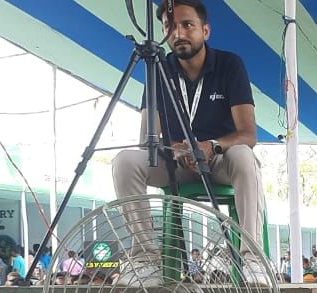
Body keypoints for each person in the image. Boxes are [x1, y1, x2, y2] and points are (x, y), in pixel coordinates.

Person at [111, 0, 263, 244]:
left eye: (187, 25)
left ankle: (251, 254)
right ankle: (145, 256)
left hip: (219, 161)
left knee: (244, 155)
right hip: (176, 164)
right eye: (169, 26)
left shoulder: (229, 65)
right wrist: (175, 149)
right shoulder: (158, 69)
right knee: (124, 161)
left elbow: (248, 134)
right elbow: (146, 140)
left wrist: (211, 146)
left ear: (205, 30)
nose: (178, 33)